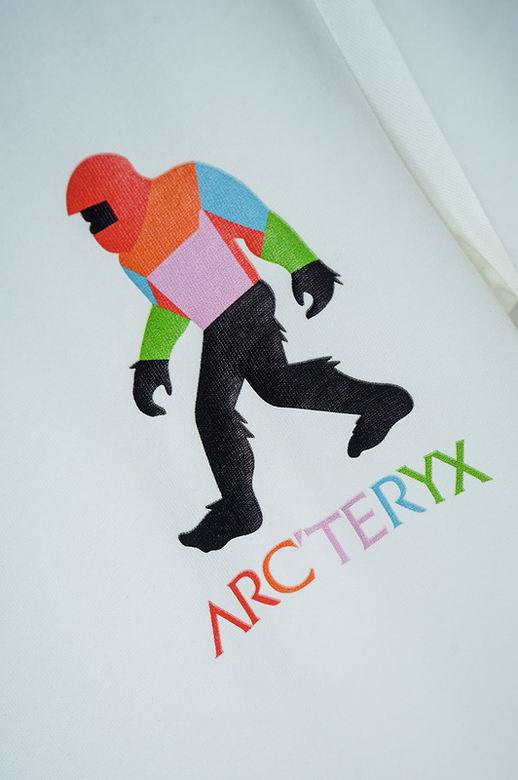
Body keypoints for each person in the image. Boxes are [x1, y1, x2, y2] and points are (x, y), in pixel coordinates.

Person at [66, 154, 413, 552]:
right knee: (277, 387)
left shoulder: (187, 184)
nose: (95, 227)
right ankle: (383, 403)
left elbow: (255, 224)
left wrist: (302, 263)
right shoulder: (131, 260)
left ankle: (241, 510)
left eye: (97, 214)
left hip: (243, 304)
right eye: (88, 221)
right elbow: (169, 306)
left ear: (120, 191)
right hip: (219, 321)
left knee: (214, 411)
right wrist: (153, 359)